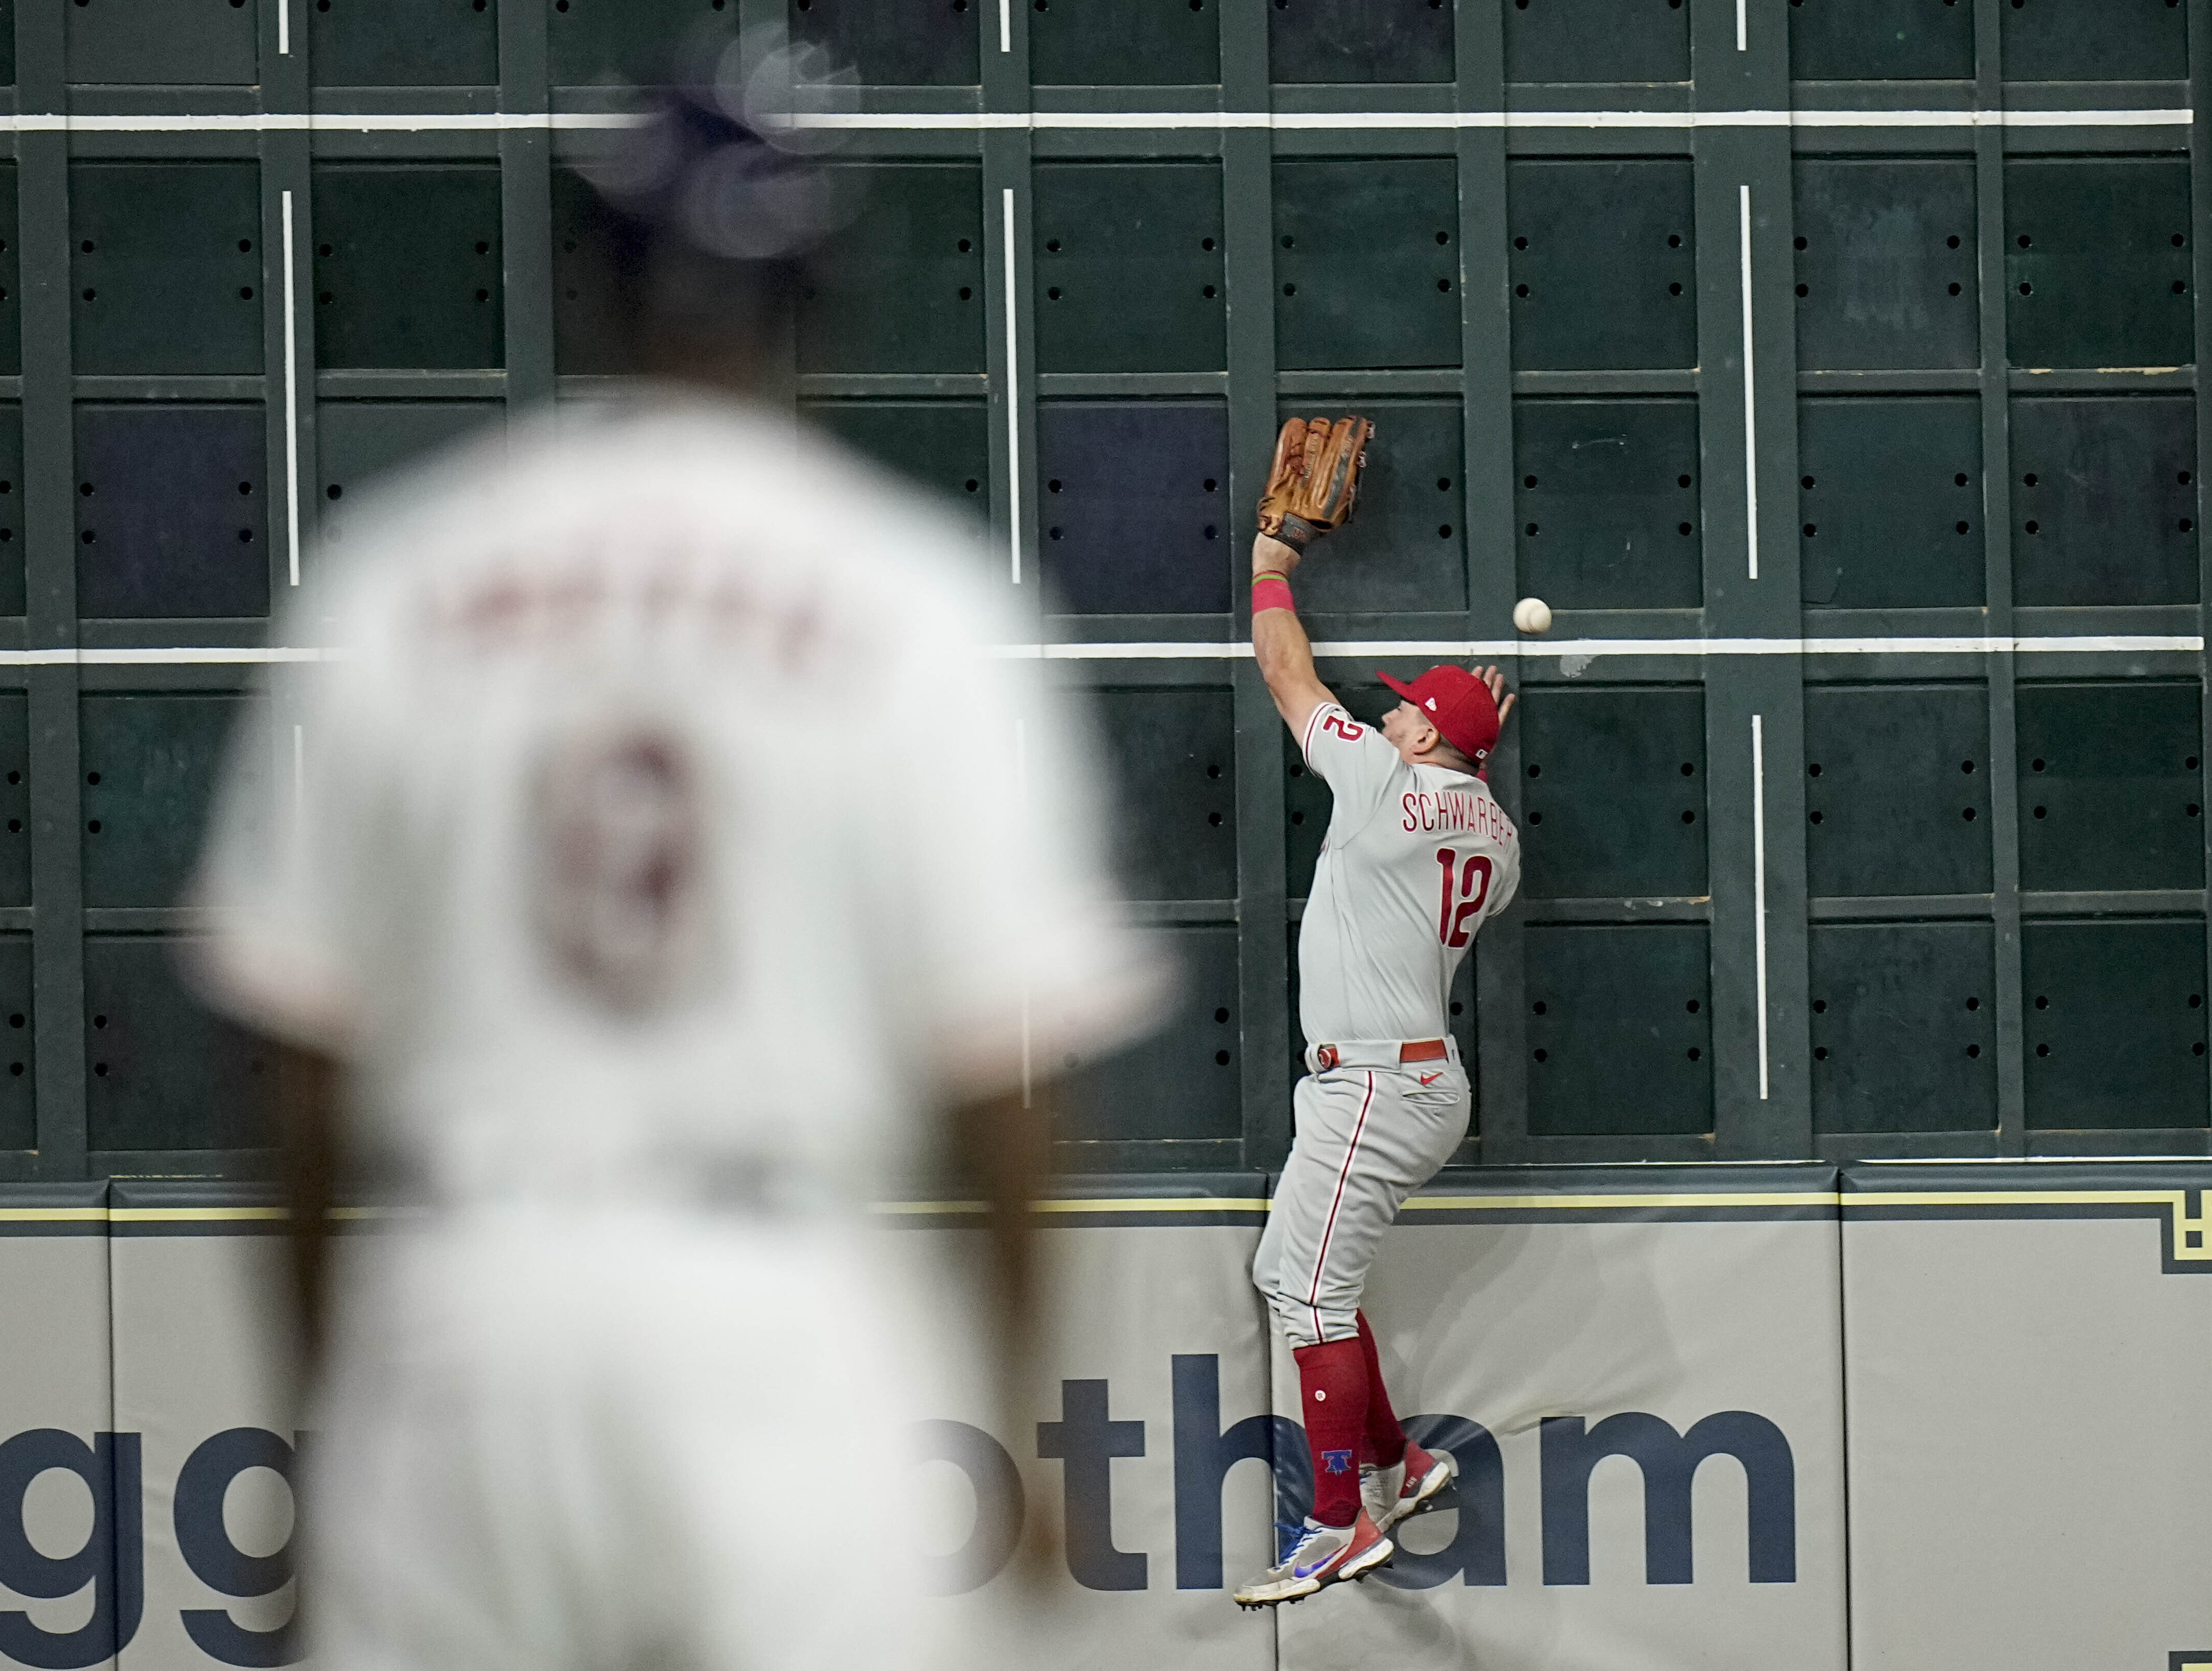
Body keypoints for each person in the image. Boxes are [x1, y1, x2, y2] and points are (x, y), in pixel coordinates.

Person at [188, 64, 1162, 1671]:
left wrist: (313, 1440)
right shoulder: (920, 604)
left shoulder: (400, 572)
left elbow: (292, 1068)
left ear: (590, 288)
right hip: (775, 1301)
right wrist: (1027, 1425)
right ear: (820, 303)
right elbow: (1010, 1082)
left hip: (461, 1308)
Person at [1232, 419, 1520, 1609]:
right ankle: (1403, 1459)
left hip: (1373, 1084)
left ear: (1432, 737)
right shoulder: (1497, 839)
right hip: (1412, 1078)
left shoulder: (1389, 783)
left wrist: (1272, 560)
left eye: (1409, 709)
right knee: (1289, 1272)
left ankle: (1338, 1517)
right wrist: (1458, 736)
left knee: (1306, 1295)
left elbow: (1288, 672)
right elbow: (1448, 784)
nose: (1390, 712)